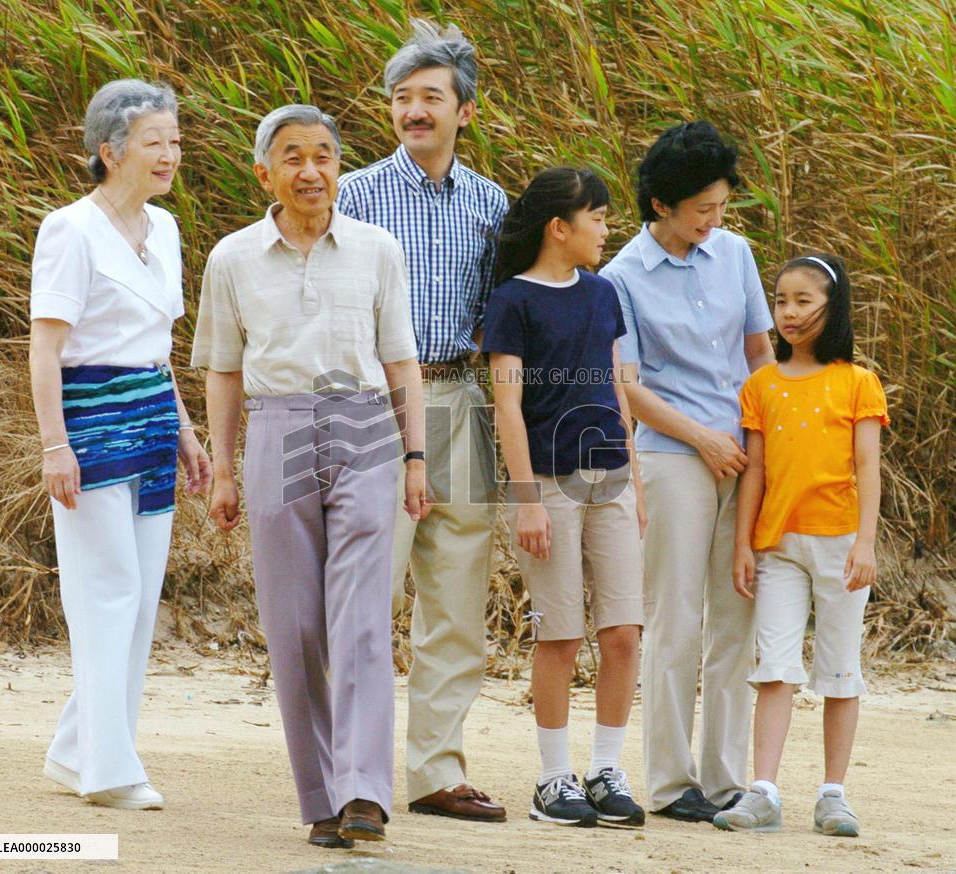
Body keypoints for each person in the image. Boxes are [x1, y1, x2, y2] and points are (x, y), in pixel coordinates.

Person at [192, 105, 427, 847]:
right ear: (265, 173)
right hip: (278, 425)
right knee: (294, 625)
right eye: (292, 157)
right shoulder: (231, 258)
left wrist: (417, 456)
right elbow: (223, 370)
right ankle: (321, 797)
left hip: (363, 425)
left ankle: (364, 790)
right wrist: (222, 469)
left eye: (323, 155)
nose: (311, 171)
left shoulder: (377, 248)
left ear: (339, 168)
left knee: (359, 614)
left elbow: (401, 363)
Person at [336, 20, 508, 822]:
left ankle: (436, 771)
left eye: (430, 97)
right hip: (375, 405)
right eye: (401, 97)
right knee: (369, 592)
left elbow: (495, 313)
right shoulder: (358, 194)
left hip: (462, 399)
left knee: (455, 589)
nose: (413, 109)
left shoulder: (491, 202)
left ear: (463, 111)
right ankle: (354, 779)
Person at [30, 79, 211, 810]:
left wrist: (188, 431)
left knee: (137, 598)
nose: (170, 154)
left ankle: (79, 749)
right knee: (105, 593)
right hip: (91, 424)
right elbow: (45, 349)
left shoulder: (163, 230)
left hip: (152, 419)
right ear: (108, 151)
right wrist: (53, 446)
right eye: (154, 141)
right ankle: (108, 768)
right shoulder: (69, 228)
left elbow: (158, 348)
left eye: (175, 140)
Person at [599, 120, 775, 823]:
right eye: (702, 208)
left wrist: (763, 442)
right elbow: (628, 386)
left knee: (737, 615)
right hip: (674, 455)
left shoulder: (735, 254)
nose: (714, 220)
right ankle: (672, 784)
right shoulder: (621, 278)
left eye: (721, 207)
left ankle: (728, 778)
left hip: (748, 455)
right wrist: (703, 437)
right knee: (674, 618)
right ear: (661, 205)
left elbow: (760, 356)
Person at [484, 168, 646, 828]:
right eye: (599, 219)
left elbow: (616, 388)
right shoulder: (512, 302)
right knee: (559, 633)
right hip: (548, 482)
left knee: (624, 633)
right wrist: (525, 501)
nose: (606, 231)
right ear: (561, 227)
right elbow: (508, 408)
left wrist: (632, 480)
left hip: (611, 478)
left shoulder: (604, 293)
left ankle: (606, 770)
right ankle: (553, 779)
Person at [713, 253, 888, 837]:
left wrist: (865, 542)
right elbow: (754, 472)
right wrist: (743, 544)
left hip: (841, 544)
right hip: (777, 547)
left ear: (831, 307)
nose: (789, 313)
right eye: (781, 300)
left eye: (803, 301)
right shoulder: (761, 385)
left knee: (840, 670)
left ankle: (833, 794)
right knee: (774, 670)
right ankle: (763, 790)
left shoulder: (858, 382)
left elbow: (868, 465)